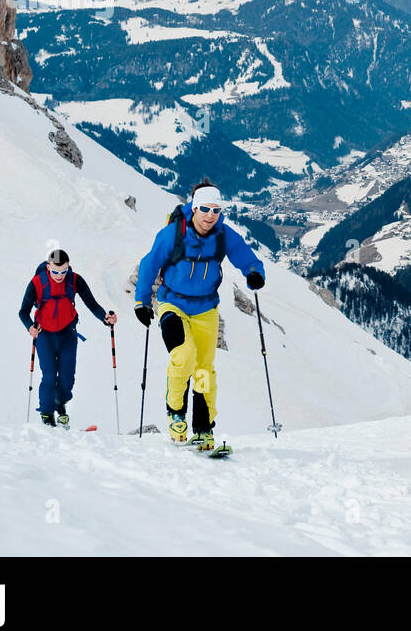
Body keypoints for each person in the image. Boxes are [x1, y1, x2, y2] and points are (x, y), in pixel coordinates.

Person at [133, 180, 265, 450]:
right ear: (194, 208)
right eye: (204, 208)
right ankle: (175, 413)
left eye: (216, 210)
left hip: (206, 309)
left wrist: (255, 273)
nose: (210, 215)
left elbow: (248, 258)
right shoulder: (173, 234)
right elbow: (149, 264)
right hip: (173, 304)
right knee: (183, 356)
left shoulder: (224, 235)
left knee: (204, 369)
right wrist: (141, 302)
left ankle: (203, 429)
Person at [18, 249, 117, 427]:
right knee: (49, 375)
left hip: (67, 334)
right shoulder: (37, 283)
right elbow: (23, 312)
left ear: (68, 267)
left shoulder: (74, 280)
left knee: (67, 377)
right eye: (55, 271)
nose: (59, 276)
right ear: (48, 267)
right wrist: (30, 327)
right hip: (44, 335)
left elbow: (91, 303)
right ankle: (47, 413)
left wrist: (104, 317)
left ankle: (59, 403)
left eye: (63, 271)